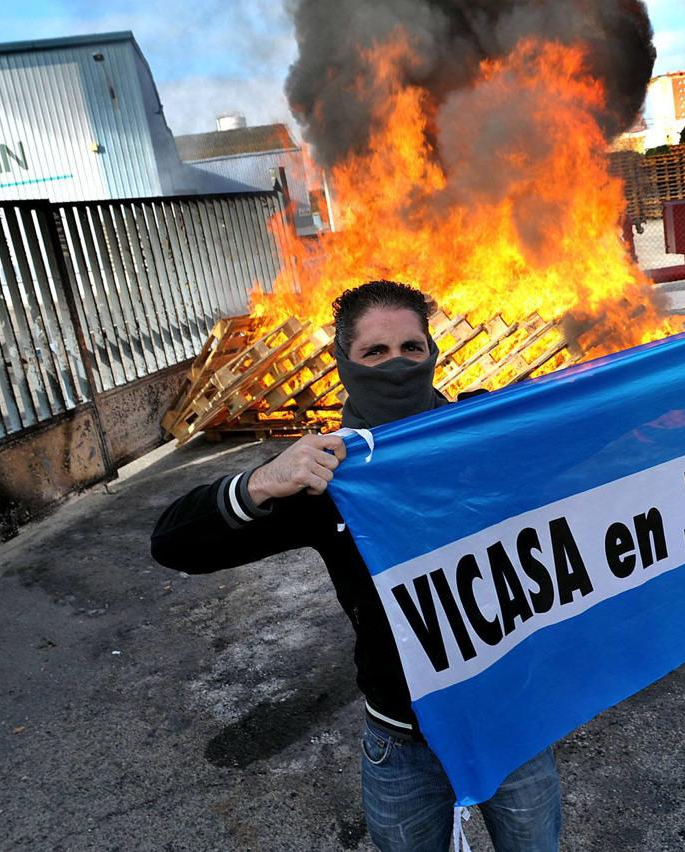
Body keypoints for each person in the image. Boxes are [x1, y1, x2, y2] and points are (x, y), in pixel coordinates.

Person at [150, 280, 562, 852]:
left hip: (511, 719)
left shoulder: (480, 433)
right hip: (401, 741)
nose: (397, 365)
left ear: (432, 353)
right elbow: (173, 545)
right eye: (375, 352)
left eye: (411, 348)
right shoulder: (327, 476)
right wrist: (261, 482)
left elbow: (598, 433)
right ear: (344, 362)